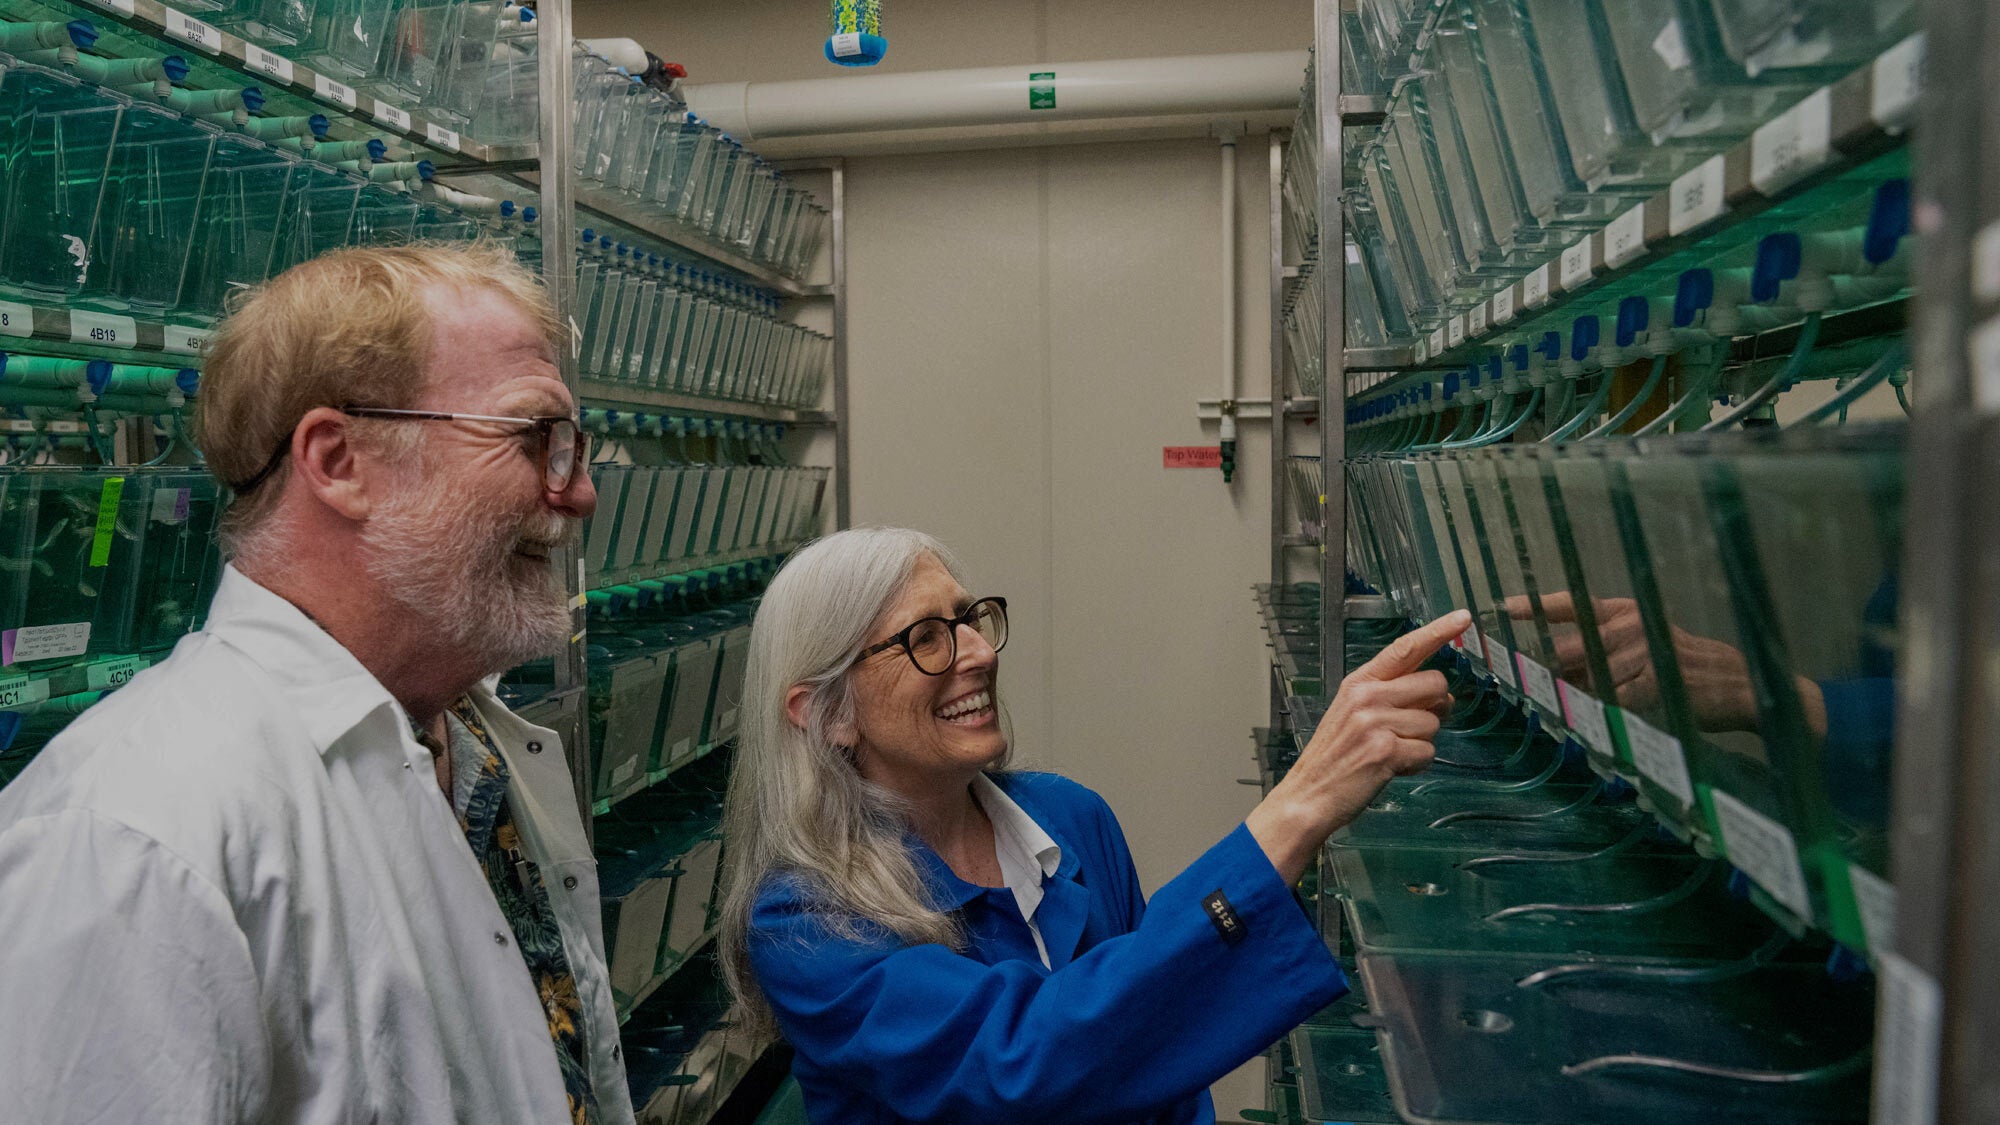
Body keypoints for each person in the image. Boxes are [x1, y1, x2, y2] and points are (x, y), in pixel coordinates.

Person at [0, 244, 634, 1124]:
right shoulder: (133, 838)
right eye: (535, 437)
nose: (580, 492)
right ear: (339, 461)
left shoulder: (477, 741)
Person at [716, 527, 1468, 1124]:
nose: (979, 652)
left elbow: (1159, 1054)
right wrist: (1294, 812)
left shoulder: (1069, 816)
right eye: (926, 637)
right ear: (825, 713)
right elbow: (1020, 1062)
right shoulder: (805, 918)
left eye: (972, 619)